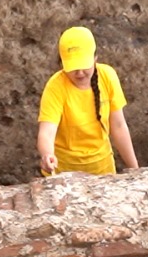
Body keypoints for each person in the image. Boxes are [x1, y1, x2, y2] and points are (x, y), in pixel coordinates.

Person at [36, 26, 140, 176]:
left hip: (103, 170)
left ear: (95, 58)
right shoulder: (55, 86)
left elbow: (118, 126)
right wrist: (47, 155)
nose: (80, 73)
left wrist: (135, 170)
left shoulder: (107, 76)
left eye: (84, 65)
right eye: (73, 67)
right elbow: (47, 132)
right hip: (64, 173)